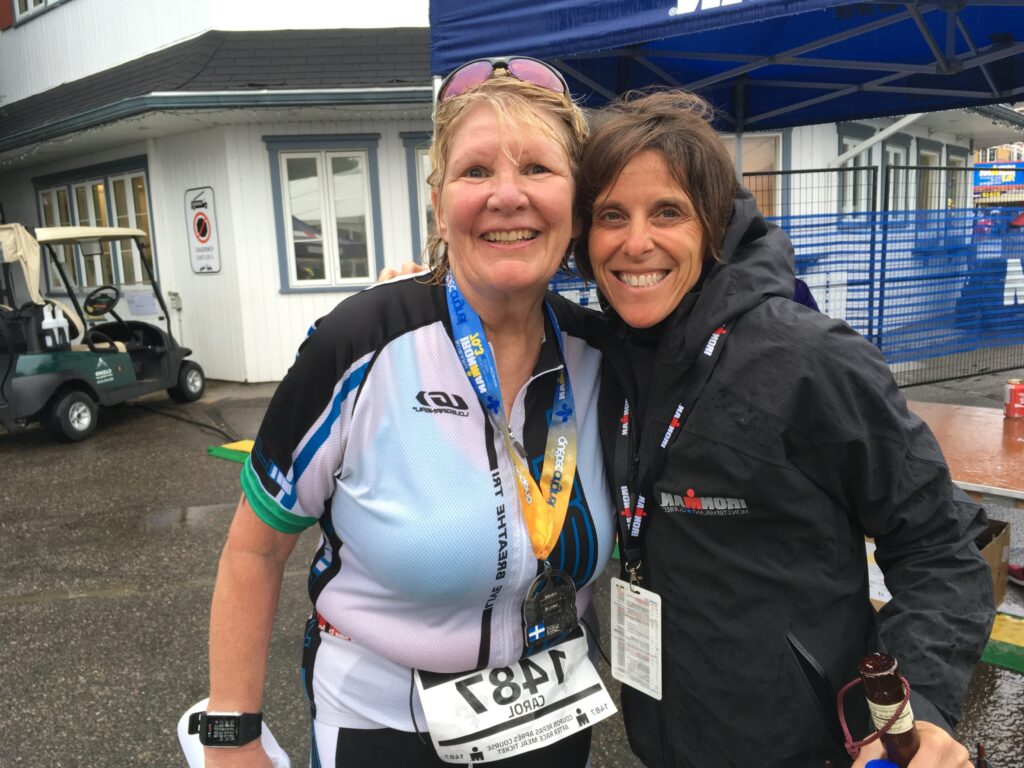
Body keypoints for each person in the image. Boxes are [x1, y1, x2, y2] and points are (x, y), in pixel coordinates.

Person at [200, 60, 616, 768]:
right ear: (438, 201)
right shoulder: (357, 345)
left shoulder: (605, 353)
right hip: (383, 728)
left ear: (575, 202)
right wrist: (230, 737)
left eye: (538, 169)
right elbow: (253, 550)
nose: (506, 196)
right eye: (476, 171)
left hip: (551, 722)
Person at [572, 90, 995, 768]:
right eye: (611, 216)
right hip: (665, 739)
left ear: (714, 228)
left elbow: (941, 550)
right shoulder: (602, 355)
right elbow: (499, 316)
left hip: (811, 749)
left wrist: (917, 716)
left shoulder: (810, 359)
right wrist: (429, 290)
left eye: (668, 213)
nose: (635, 242)